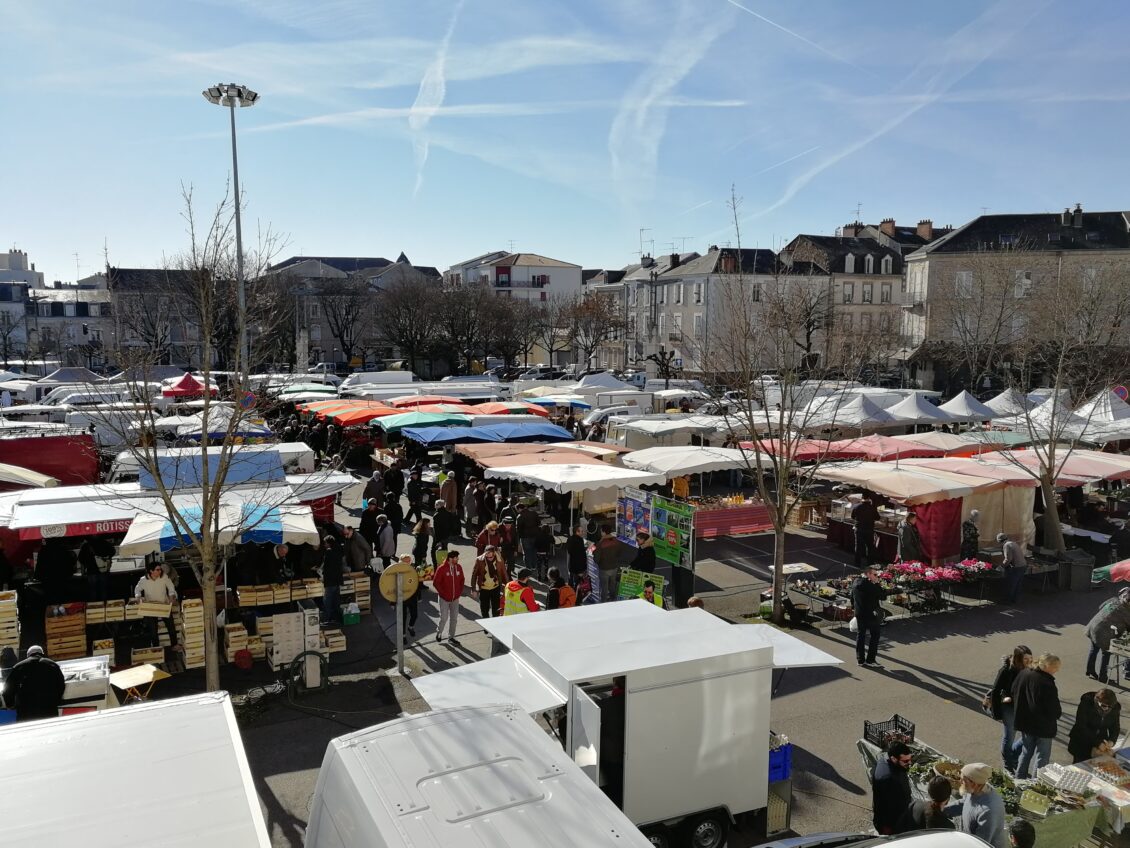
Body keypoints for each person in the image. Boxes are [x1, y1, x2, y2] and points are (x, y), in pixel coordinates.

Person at [1012, 652, 1062, 778]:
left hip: (1025, 722)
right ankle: (1037, 783)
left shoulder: (1024, 673)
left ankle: (1019, 778)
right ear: (1047, 666)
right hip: (1043, 726)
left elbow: (1014, 690)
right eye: (1055, 667)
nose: (1057, 670)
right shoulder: (1047, 683)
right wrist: (1057, 714)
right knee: (1042, 756)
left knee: (1026, 752)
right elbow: (1053, 708)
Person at [985, 645, 1032, 775]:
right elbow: (995, 691)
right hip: (1009, 707)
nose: (1029, 661)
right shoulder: (1006, 670)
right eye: (1026, 659)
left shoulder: (1029, 669)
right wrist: (997, 713)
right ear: (1018, 659)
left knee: (1029, 734)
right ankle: (1008, 765)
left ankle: (1012, 758)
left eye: (1030, 658)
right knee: (1009, 737)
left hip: (1022, 707)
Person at [947, 763, 1006, 848]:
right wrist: (942, 810)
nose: (960, 782)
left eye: (963, 780)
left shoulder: (988, 812)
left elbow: (980, 844)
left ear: (974, 784)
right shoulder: (975, 789)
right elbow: (964, 802)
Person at [2, 645, 65, 721]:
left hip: (26, 712)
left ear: (28, 655)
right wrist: (56, 701)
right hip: (49, 710)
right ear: (42, 653)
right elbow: (61, 685)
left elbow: (8, 689)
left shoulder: (19, 667)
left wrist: (10, 704)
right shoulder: (53, 665)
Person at [1085, 589, 1130, 683]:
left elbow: (1100, 607)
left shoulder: (1114, 600)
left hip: (1094, 625)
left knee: (1094, 649)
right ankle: (1103, 676)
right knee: (1106, 653)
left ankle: (1090, 670)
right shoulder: (1126, 612)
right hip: (1105, 633)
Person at [1067, 688, 1121, 763]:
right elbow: (1081, 726)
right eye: (1104, 706)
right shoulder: (1086, 704)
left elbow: (1115, 727)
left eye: (1110, 707)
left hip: (1100, 743)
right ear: (1097, 700)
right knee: (1080, 767)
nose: (1106, 709)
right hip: (1082, 742)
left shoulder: (1115, 708)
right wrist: (1098, 743)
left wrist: (1111, 741)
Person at [870, 741, 912, 835]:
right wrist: (886, 827)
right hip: (891, 823)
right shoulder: (887, 778)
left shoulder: (886, 761)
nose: (910, 763)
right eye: (905, 761)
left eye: (910, 759)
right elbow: (883, 805)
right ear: (893, 758)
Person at [134, 563, 178, 649]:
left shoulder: (164, 577)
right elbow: (137, 589)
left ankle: (174, 645)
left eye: (160, 569)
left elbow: (171, 586)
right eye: (157, 570)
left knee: (171, 626)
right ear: (151, 571)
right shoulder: (143, 580)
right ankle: (156, 649)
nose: (160, 571)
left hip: (163, 605)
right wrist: (138, 597)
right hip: (151, 607)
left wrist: (172, 595)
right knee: (153, 630)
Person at [851, 565, 885, 669]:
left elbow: (852, 597)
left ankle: (860, 660)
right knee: (875, 635)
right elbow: (883, 595)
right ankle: (870, 660)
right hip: (871, 615)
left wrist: (854, 608)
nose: (877, 576)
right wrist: (877, 583)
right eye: (875, 574)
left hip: (859, 613)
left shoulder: (856, 582)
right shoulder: (871, 586)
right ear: (868, 574)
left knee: (861, 635)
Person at [432, 549, 465, 644]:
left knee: (454, 618)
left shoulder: (459, 567)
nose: (458, 559)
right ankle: (439, 632)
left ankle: (451, 637)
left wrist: (459, 592)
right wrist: (443, 594)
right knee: (444, 618)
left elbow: (462, 580)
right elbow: (436, 583)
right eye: (456, 558)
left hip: (455, 598)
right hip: (444, 599)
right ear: (450, 558)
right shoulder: (441, 568)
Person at [471, 546, 508, 619]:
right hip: (484, 588)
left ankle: (495, 627)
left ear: (494, 554)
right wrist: (473, 589)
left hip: (495, 587)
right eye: (487, 556)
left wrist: (508, 587)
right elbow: (474, 575)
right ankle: (486, 628)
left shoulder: (499, 559)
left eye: (491, 556)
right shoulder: (479, 560)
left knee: (496, 610)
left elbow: (504, 573)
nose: (489, 558)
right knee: (484, 610)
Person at [320, 534, 346, 625]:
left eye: (325, 543)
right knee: (336, 600)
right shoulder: (339, 550)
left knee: (327, 600)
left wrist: (322, 574)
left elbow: (326, 567)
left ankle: (326, 619)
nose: (324, 545)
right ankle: (338, 618)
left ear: (329, 543)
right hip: (337, 579)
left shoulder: (329, 552)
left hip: (330, 580)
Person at [393, 555, 420, 639]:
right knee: (403, 618)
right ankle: (403, 635)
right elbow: (392, 587)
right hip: (402, 598)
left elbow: (417, 584)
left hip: (412, 597)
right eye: (405, 561)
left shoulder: (413, 570)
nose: (408, 563)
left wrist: (419, 596)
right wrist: (392, 602)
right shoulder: (397, 571)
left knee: (414, 615)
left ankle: (410, 626)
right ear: (401, 562)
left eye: (409, 561)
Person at [79, 536, 114, 602]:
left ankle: (94, 607)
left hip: (91, 572)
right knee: (104, 590)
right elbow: (113, 552)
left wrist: (83, 572)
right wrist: (106, 558)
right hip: (103, 571)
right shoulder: (104, 543)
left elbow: (81, 559)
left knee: (93, 591)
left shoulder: (86, 546)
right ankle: (104, 606)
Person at [594, 525, 621, 602]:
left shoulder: (600, 544)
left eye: (601, 531)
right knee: (612, 585)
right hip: (614, 567)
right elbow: (619, 553)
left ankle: (604, 602)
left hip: (604, 569)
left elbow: (596, 559)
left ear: (604, 532)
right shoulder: (616, 541)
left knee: (604, 588)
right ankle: (613, 599)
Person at [998, 532, 1027, 605]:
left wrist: (1001, 566)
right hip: (1023, 565)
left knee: (1011, 584)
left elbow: (1008, 559)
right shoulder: (1013, 543)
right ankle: (1015, 600)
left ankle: (1008, 601)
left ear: (1000, 541)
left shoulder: (1006, 545)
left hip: (1017, 567)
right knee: (1018, 584)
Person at [852, 495, 880, 568]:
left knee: (858, 547)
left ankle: (857, 563)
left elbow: (852, 516)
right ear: (869, 499)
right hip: (869, 529)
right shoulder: (872, 507)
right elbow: (878, 517)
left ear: (862, 499)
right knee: (870, 547)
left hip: (859, 529)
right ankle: (870, 563)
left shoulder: (857, 506)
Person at [431, 499, 460, 565]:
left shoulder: (436, 515)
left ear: (440, 505)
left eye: (436, 504)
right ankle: (445, 563)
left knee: (433, 550)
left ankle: (435, 563)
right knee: (444, 549)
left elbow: (436, 529)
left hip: (438, 536)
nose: (435, 506)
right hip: (446, 535)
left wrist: (438, 540)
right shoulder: (448, 514)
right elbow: (451, 525)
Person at [515, 502, 541, 576]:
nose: (517, 511)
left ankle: (528, 568)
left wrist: (518, 539)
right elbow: (539, 523)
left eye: (517, 510)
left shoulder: (519, 516)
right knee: (534, 551)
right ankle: (534, 566)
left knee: (526, 553)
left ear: (519, 509)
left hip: (525, 537)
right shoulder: (534, 513)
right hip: (535, 535)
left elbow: (518, 529)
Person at [566, 524, 588, 588]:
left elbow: (569, 551)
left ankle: (570, 593)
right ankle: (576, 594)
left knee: (571, 580)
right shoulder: (580, 540)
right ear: (577, 532)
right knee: (578, 582)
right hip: (579, 566)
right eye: (581, 531)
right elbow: (582, 553)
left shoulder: (570, 539)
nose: (583, 532)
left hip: (572, 565)